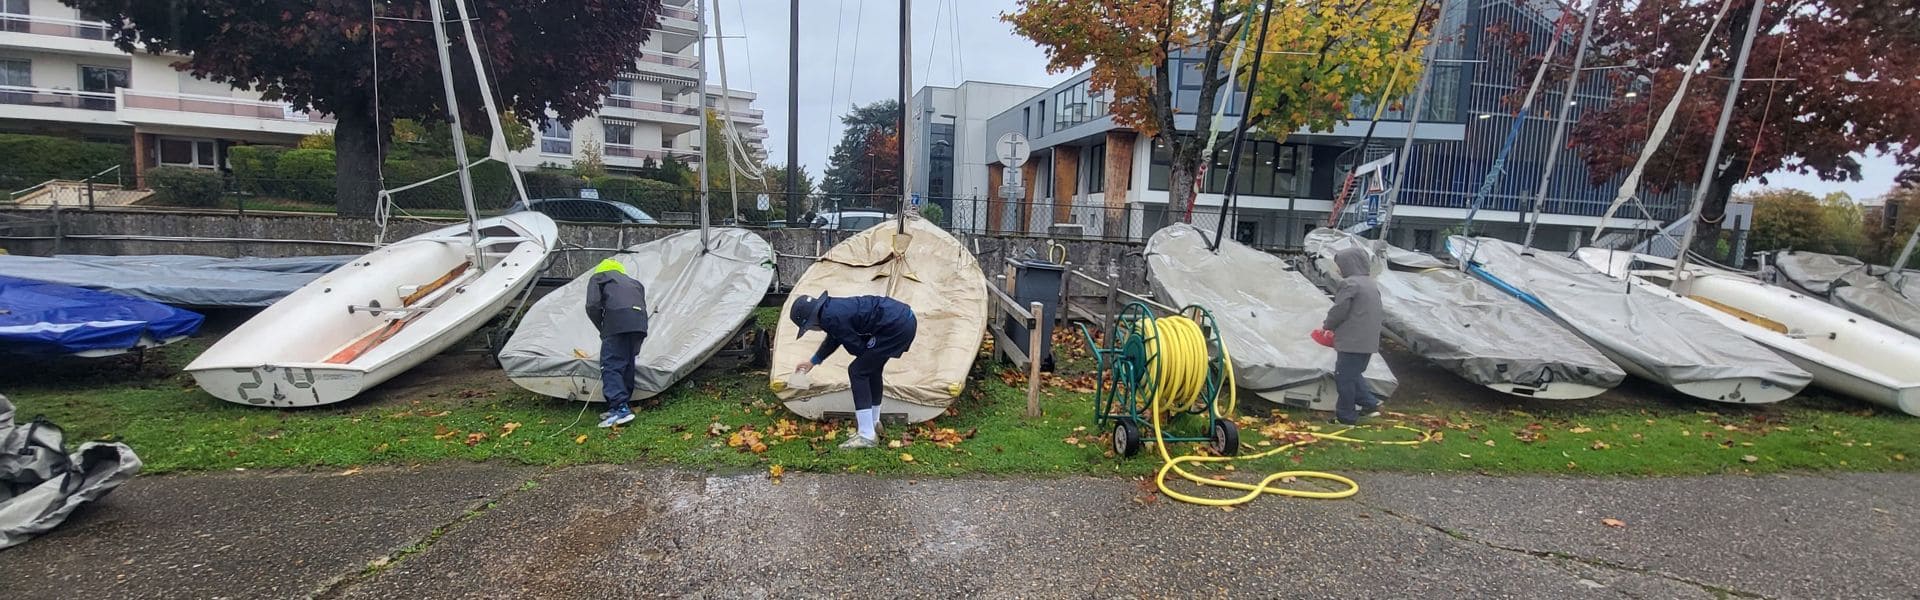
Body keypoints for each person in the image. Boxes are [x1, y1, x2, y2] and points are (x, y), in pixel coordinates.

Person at [789, 293, 918, 449]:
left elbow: (855, 346)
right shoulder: (830, 310)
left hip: (895, 326)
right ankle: (873, 423)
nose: (813, 330)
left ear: (811, 320)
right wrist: (813, 362)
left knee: (858, 371)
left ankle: (866, 435)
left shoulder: (830, 319)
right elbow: (834, 337)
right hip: (904, 319)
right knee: (871, 368)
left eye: (808, 327)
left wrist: (865, 355)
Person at [1321, 246, 1385, 426]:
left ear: (1350, 264)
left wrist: (1328, 326)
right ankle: (1370, 405)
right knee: (1353, 374)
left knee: (1344, 378)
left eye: (1340, 265)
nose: (1339, 269)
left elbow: (1339, 309)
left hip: (1352, 341)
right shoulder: (1371, 284)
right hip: (1368, 341)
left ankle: (1346, 417)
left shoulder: (1350, 284)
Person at [585, 258, 648, 428]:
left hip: (617, 321)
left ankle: (620, 409)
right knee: (627, 361)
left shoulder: (598, 278)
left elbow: (592, 305)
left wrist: (603, 328)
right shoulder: (634, 282)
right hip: (639, 322)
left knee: (611, 364)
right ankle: (623, 404)